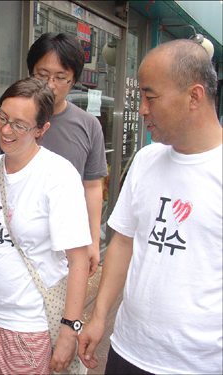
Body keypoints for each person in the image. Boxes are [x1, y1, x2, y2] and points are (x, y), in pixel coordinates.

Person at [77, 39, 222, 374]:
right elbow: (123, 243)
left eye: (150, 96)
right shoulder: (145, 160)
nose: (141, 108)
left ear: (194, 97)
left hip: (198, 364)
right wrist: (98, 318)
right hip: (128, 350)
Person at [0, 77, 91, 374]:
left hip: (27, 326)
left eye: (20, 125)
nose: (6, 130)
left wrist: (70, 331)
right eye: (2, 118)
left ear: (42, 129)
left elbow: (78, 260)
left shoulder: (57, 175)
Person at [0, 32, 107, 277]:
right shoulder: (6, 123)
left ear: (74, 80)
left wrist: (91, 240)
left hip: (62, 250)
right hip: (10, 247)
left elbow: (91, 186)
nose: (50, 85)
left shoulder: (88, 126)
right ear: (30, 72)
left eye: (61, 78)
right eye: (42, 75)